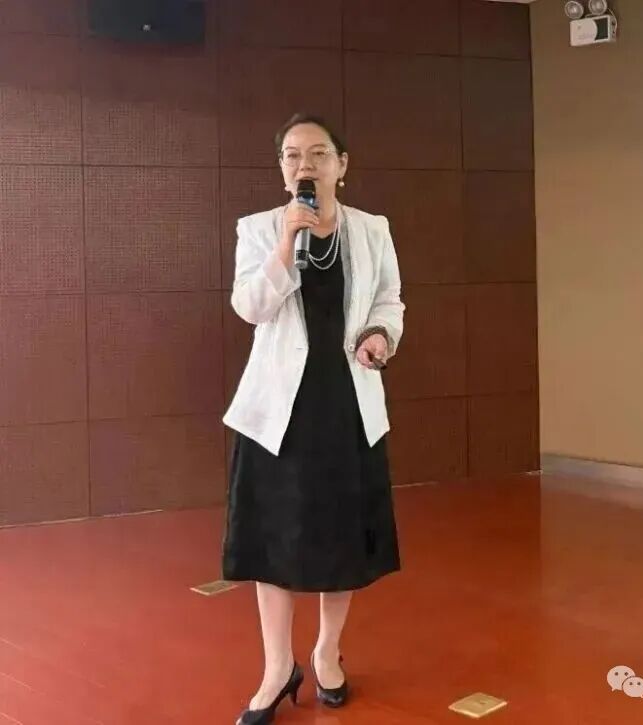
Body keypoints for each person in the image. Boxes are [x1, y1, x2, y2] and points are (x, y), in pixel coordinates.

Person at [220, 112, 405, 724]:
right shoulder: (258, 229)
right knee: (270, 539)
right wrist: (285, 246)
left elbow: (389, 300)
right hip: (278, 411)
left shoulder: (372, 230)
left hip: (346, 404)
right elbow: (250, 306)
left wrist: (381, 334)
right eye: (294, 155)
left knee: (339, 535)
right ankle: (277, 667)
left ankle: (327, 651)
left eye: (320, 153)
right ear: (282, 170)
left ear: (341, 166)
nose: (306, 164)